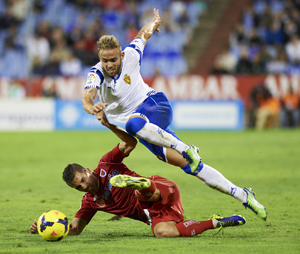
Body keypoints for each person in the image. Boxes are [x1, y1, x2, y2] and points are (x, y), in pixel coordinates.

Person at [81, 8, 267, 220]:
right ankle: (243, 195)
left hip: (155, 105)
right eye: (105, 61)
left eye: (113, 60)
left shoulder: (131, 55)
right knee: (190, 166)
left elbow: (144, 33)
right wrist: (91, 107)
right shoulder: (96, 73)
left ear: (121, 55)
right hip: (147, 131)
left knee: (133, 125)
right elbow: (87, 97)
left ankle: (187, 148)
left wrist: (155, 22)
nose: (109, 65)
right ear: (99, 58)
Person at [29, 111, 246, 238]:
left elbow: (131, 143)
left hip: (161, 190)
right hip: (157, 213)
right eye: (78, 187)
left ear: (87, 171)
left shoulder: (106, 163)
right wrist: (44, 226)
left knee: (145, 194)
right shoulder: (91, 202)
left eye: (82, 180)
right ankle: (217, 222)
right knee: (162, 232)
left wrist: (109, 124)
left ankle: (139, 184)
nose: (84, 187)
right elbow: (75, 228)